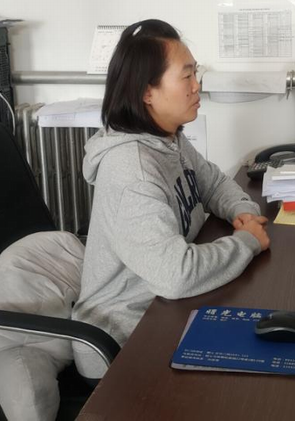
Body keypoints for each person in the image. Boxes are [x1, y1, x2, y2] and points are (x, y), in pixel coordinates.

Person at [72, 19, 270, 378]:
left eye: (196, 73)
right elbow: (175, 275)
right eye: (186, 76)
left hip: (164, 311)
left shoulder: (167, 138)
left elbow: (212, 183)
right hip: (122, 345)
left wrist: (241, 212)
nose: (197, 86)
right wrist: (246, 243)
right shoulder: (132, 171)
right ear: (147, 93)